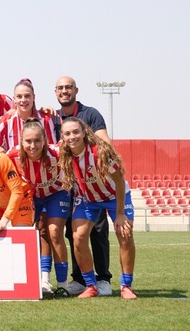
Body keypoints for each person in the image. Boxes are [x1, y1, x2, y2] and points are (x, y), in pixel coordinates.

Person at [58, 117, 136, 299]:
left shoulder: (100, 153)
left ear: (84, 132)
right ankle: (91, 286)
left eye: (75, 132)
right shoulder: (63, 154)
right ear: (62, 136)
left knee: (125, 234)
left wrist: (119, 214)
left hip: (114, 196)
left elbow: (118, 181)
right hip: (88, 199)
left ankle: (126, 286)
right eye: (67, 133)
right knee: (78, 237)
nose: (72, 137)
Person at [53, 76, 113, 296]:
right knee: (73, 232)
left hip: (92, 182)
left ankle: (103, 278)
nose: (64, 91)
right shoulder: (52, 117)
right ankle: (79, 279)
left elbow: (105, 143)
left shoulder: (90, 114)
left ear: (76, 90)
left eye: (68, 87)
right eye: (60, 88)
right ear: (55, 92)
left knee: (97, 230)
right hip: (67, 183)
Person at [9, 118, 72, 297]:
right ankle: (44, 280)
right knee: (40, 232)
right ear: (21, 141)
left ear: (45, 140)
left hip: (56, 193)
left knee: (54, 232)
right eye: (28, 141)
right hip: (32, 196)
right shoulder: (11, 155)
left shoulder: (58, 153)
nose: (33, 145)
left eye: (37, 140)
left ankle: (63, 284)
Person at [0, 79, 57, 152]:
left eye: (27, 96)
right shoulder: (4, 121)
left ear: (33, 97)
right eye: (19, 96)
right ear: (14, 99)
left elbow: (52, 148)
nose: (23, 100)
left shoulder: (46, 120)